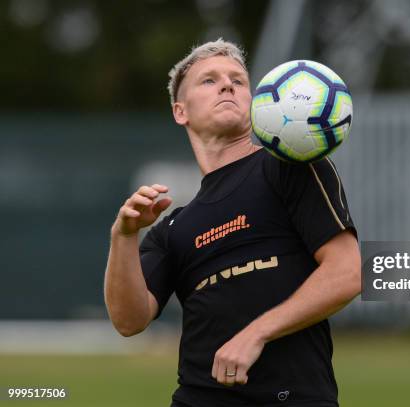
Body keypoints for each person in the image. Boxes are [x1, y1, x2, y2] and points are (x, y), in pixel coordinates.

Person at [104, 38, 361, 407]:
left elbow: (347, 273)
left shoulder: (290, 164)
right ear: (181, 111)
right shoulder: (173, 227)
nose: (227, 85)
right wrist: (124, 236)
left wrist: (255, 334)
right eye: (209, 80)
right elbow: (129, 320)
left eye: (238, 81)